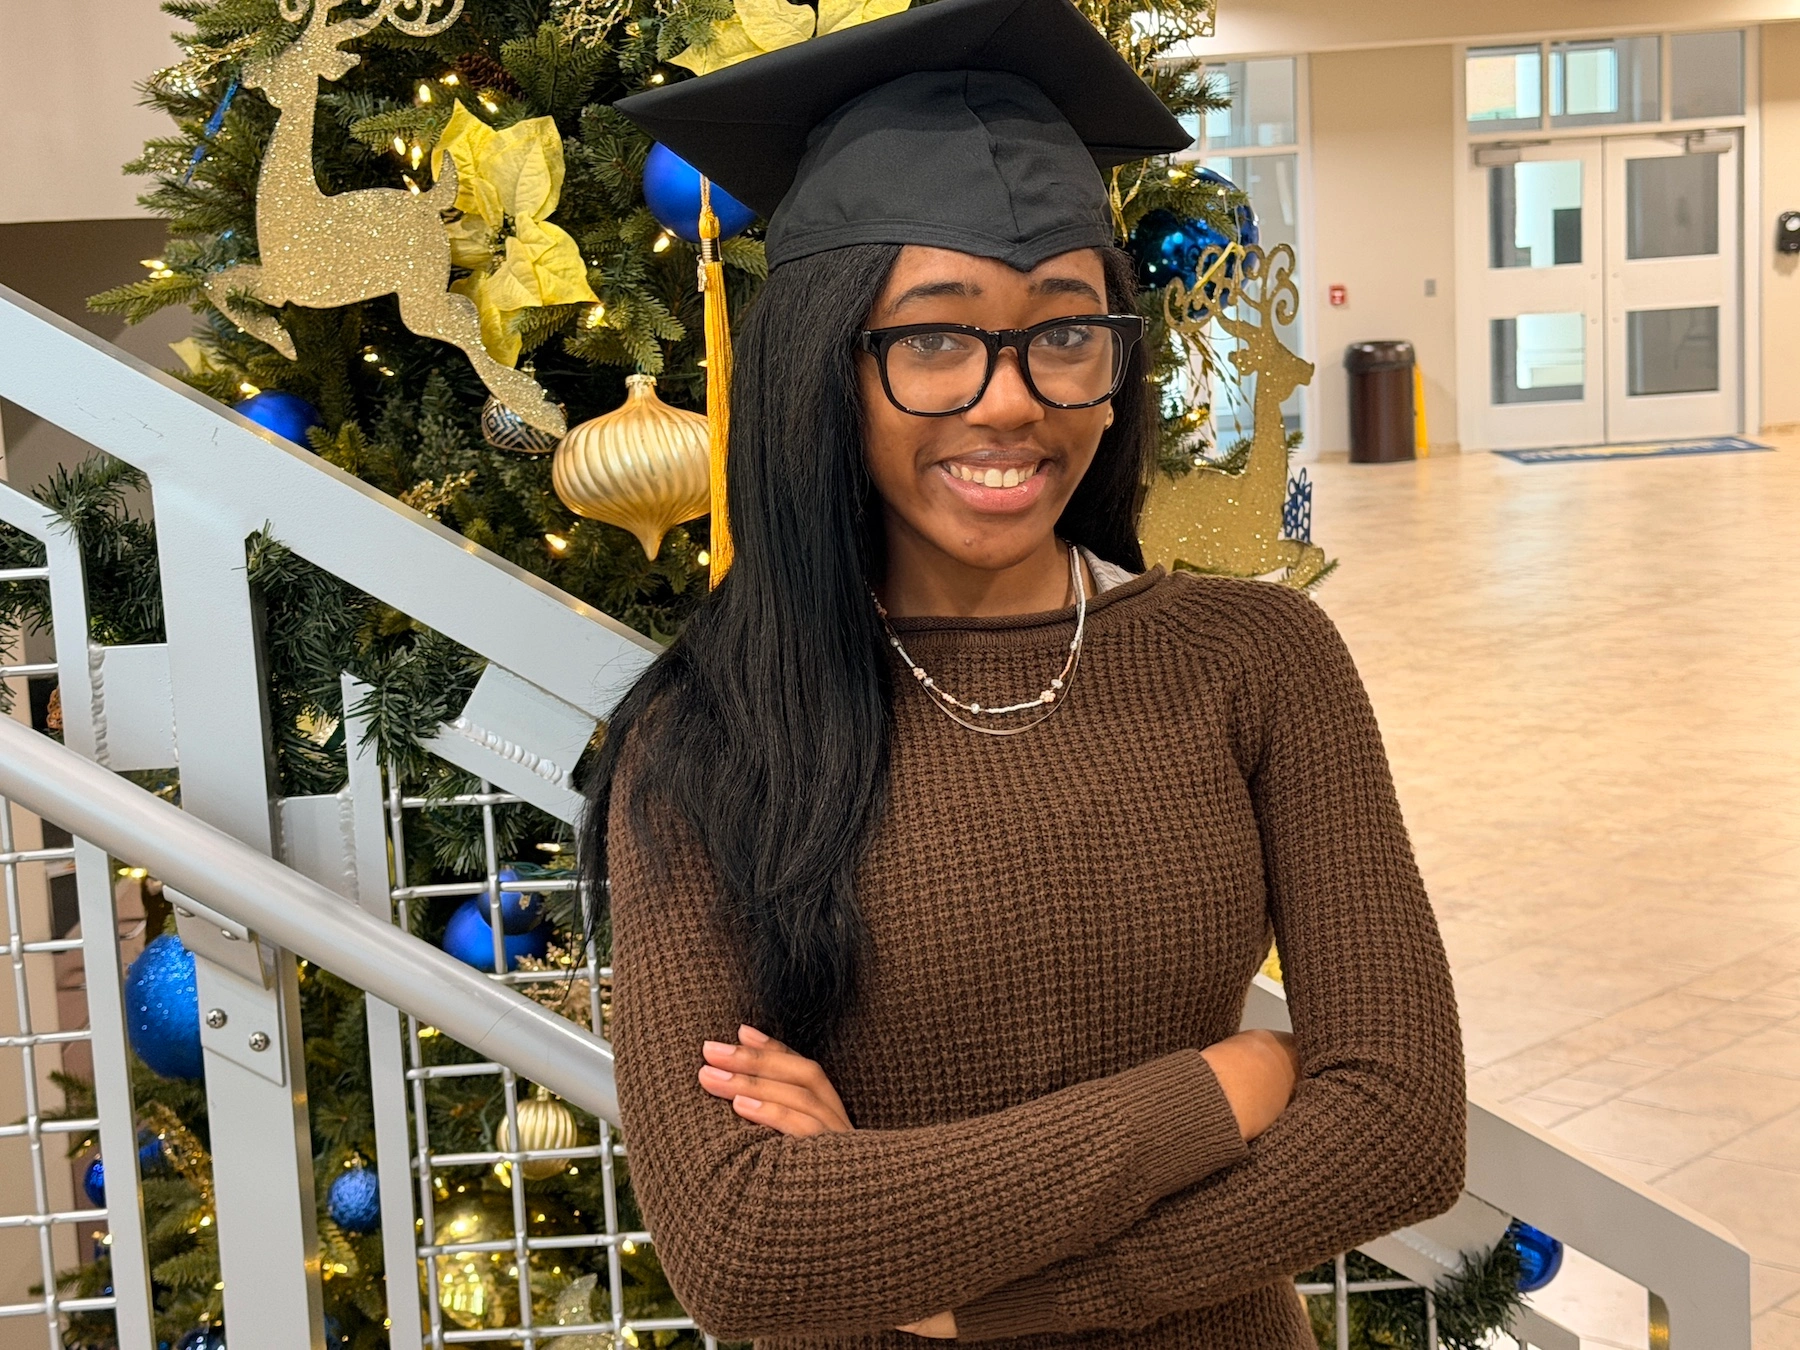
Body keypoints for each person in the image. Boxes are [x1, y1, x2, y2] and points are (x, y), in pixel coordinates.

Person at [579, 0, 1466, 1344]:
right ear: (827, 365)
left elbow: (1400, 1126)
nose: (1010, 399)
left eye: (1065, 331)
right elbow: (743, 1243)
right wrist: (1221, 1089)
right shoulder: (714, 731)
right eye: (933, 338)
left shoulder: (1256, 662)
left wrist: (973, 1290)